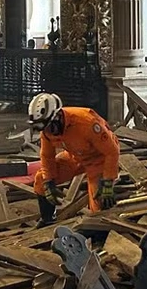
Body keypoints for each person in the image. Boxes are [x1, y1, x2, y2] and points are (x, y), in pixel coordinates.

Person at [28, 93, 120, 226]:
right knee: (41, 179)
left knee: (98, 199)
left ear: (58, 117)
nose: (48, 131)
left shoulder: (86, 122)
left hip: (98, 158)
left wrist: (107, 182)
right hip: (75, 155)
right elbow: (47, 156)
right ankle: (47, 219)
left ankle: (101, 231)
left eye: (49, 127)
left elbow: (111, 151)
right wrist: (49, 181)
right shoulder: (47, 130)